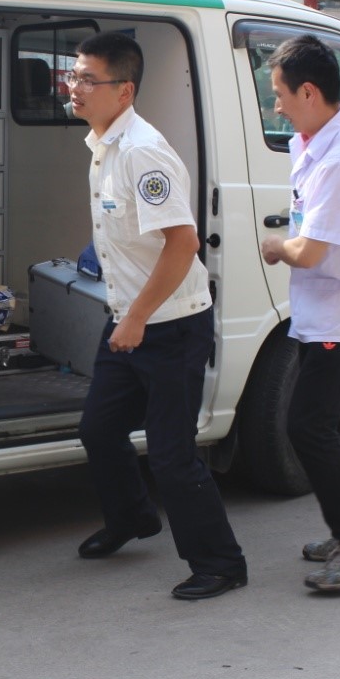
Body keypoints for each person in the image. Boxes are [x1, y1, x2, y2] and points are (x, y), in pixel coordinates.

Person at [69, 31, 247, 601]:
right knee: (98, 428)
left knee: (171, 453)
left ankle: (221, 563)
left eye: (86, 79)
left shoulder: (143, 152)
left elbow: (182, 244)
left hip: (168, 323)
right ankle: (133, 518)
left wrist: (138, 318)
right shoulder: (101, 146)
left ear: (124, 91)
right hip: (129, 316)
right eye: (72, 75)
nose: (73, 87)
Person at [259, 34, 340, 593]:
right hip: (329, 311)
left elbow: (311, 250)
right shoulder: (314, 143)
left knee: (307, 426)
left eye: (280, 95)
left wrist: (274, 247)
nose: (277, 106)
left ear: (309, 91)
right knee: (333, 424)